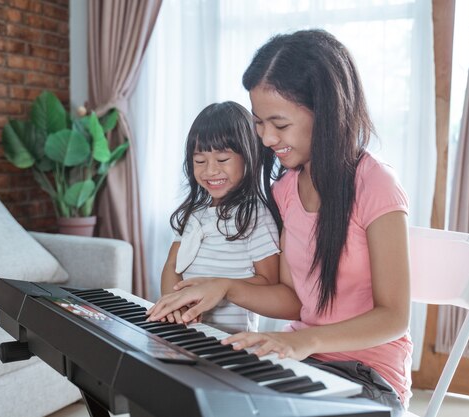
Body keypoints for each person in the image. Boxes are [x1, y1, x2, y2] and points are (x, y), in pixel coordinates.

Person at [147, 29, 412, 415]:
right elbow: (292, 299)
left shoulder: (376, 184)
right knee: (191, 395)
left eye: (280, 124)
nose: (267, 137)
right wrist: (224, 287)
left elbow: (394, 316)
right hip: (303, 360)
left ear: (326, 111)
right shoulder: (286, 190)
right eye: (259, 123)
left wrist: (306, 343)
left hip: (367, 373)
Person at [159, 101, 281, 333]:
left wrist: (221, 287)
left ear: (248, 156)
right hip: (190, 333)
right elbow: (172, 266)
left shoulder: (254, 216)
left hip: (230, 341)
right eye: (200, 161)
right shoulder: (193, 213)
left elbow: (270, 283)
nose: (210, 171)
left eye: (222, 160)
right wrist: (172, 304)